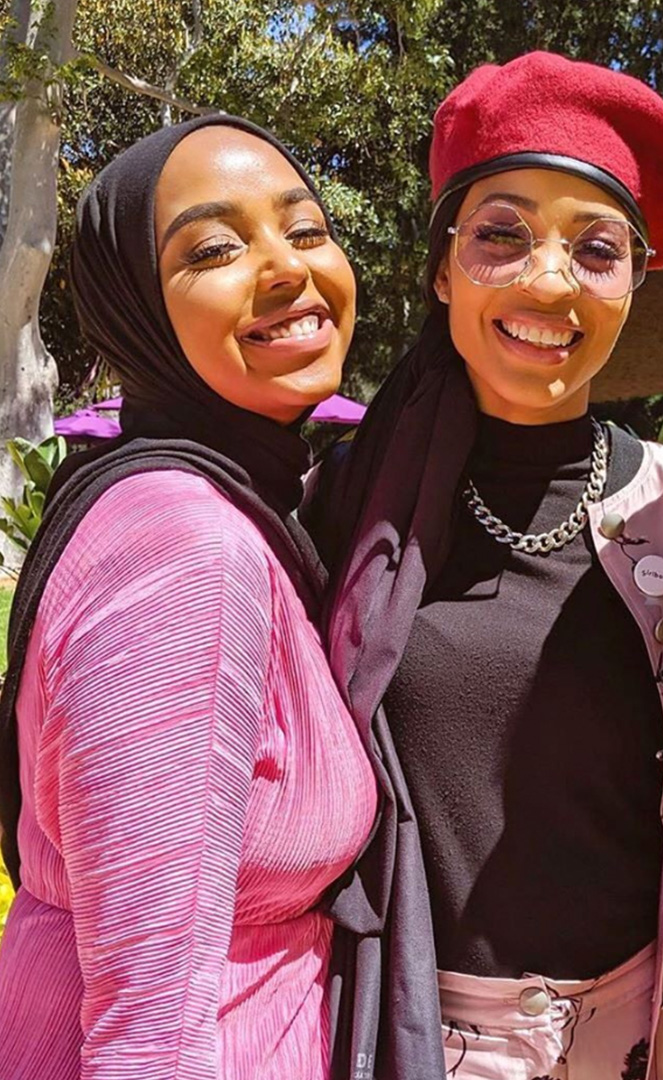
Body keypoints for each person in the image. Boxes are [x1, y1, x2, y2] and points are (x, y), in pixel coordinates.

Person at [306, 51, 663, 1080]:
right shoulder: (346, 506)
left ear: (634, 284)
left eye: (597, 249)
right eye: (502, 235)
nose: (549, 281)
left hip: (648, 1036)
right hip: (401, 1028)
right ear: (442, 268)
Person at [0, 116, 378, 1080]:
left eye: (305, 229)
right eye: (214, 249)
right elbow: (148, 1037)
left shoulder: (211, 499)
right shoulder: (184, 548)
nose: (286, 267)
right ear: (135, 308)